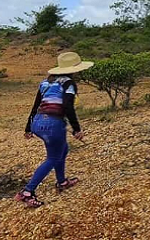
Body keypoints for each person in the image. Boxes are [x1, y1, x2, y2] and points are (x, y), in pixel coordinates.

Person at [15, 52, 93, 208]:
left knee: (63, 150)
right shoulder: (69, 83)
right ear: (74, 69)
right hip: (53, 125)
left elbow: (36, 106)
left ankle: (62, 181)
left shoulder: (45, 83)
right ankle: (27, 192)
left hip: (38, 122)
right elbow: (68, 107)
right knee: (53, 157)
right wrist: (77, 129)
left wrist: (28, 127)